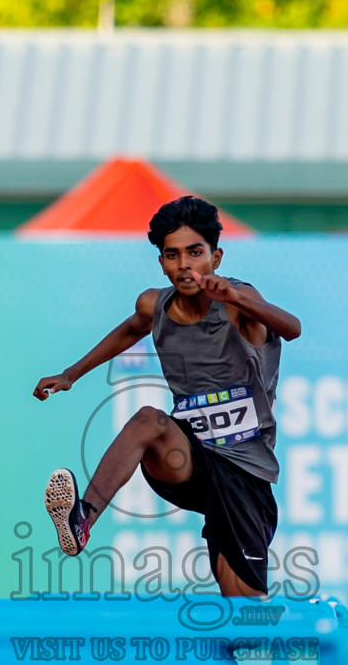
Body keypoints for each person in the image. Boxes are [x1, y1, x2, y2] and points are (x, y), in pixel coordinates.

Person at [34, 196, 301, 597]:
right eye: (172, 255)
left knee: (247, 613)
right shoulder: (154, 304)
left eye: (195, 253)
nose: (184, 265)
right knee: (148, 420)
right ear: (161, 262)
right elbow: (129, 330)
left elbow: (293, 328)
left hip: (243, 473)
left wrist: (235, 297)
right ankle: (82, 520)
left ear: (216, 256)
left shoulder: (238, 303)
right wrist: (71, 374)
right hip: (187, 461)